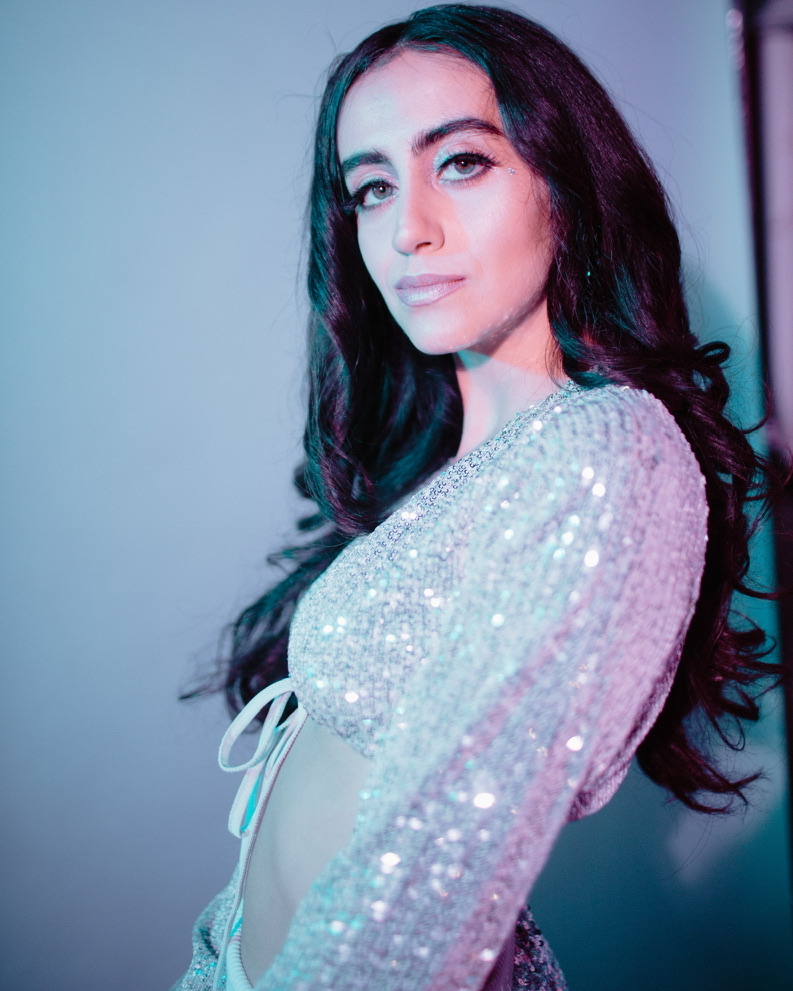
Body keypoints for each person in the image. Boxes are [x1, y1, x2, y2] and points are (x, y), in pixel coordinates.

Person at [171, 5, 780, 990]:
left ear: (565, 188)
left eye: (460, 162)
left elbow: (434, 875)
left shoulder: (605, 451)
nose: (407, 229)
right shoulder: (440, 473)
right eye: (371, 188)